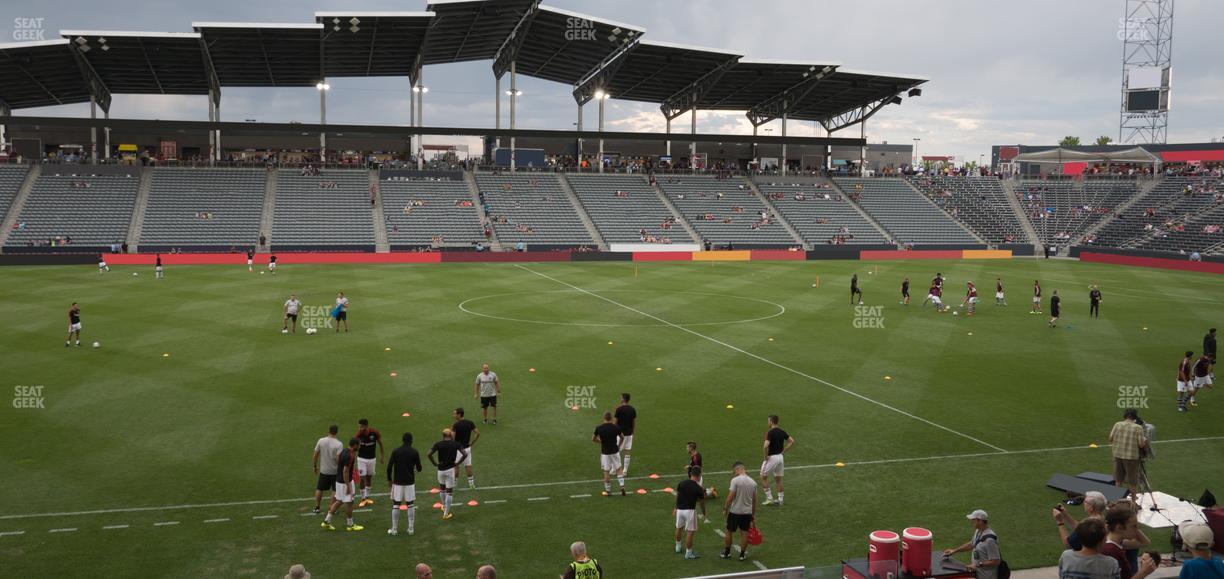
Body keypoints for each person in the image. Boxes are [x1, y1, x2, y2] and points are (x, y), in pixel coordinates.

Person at [941, 509, 1002, 579]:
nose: (971, 521)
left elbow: (996, 561)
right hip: (978, 574)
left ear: (980, 521)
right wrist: (954, 551)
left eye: (973, 519)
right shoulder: (978, 531)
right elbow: (972, 544)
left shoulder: (990, 540)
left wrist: (977, 564)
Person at [1102, 506, 1157, 579]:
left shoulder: (1119, 543)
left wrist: (1133, 524)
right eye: (1134, 526)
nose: (1136, 529)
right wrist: (1142, 573)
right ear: (1119, 528)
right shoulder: (1110, 551)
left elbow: (1145, 542)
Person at [322, 438, 364, 531]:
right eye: (359, 445)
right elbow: (345, 471)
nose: (360, 446)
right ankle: (350, 525)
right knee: (349, 503)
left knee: (339, 501)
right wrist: (348, 486)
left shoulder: (344, 451)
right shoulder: (350, 456)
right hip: (345, 482)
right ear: (355, 445)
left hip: (338, 480)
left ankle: (326, 521)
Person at [386, 432, 422, 536]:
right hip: (410, 482)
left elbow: (389, 467)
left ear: (402, 440)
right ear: (411, 441)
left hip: (398, 482)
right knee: (410, 504)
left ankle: (394, 529)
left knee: (396, 504)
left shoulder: (396, 451)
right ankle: (411, 529)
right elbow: (419, 468)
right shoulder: (414, 452)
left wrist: (389, 479)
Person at [722, 462, 758, 561]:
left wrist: (725, 508)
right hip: (747, 513)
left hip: (735, 512)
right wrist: (753, 515)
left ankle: (727, 552)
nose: (735, 474)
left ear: (738, 469)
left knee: (729, 531)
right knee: (745, 533)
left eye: (735, 471)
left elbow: (730, 497)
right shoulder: (753, 482)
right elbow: (754, 501)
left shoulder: (735, 481)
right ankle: (742, 555)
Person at [428, 428, 467, 520]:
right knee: (449, 492)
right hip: (450, 470)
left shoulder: (438, 444)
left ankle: (444, 506)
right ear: (451, 435)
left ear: (443, 436)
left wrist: (434, 463)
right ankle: (446, 513)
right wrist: (458, 463)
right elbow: (465, 454)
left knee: (442, 489)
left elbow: (429, 454)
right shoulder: (456, 444)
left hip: (440, 470)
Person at [1109, 409, 1148, 497]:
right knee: (1132, 482)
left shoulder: (1117, 424)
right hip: (1131, 458)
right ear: (1135, 417)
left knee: (1118, 480)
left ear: (1125, 416)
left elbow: (1110, 438)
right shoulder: (1138, 427)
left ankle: (1116, 500)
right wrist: (1145, 439)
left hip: (1118, 456)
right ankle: (1133, 502)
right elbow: (1141, 444)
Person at [761, 414, 794, 506]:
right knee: (778, 479)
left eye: (768, 421)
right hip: (780, 457)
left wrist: (765, 457)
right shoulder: (782, 431)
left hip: (772, 458)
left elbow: (765, 446)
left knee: (763, 477)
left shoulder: (770, 432)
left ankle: (769, 498)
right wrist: (783, 451)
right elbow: (791, 441)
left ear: (771, 422)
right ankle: (780, 500)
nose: (768, 423)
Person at [674, 466, 706, 559]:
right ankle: (688, 553)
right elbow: (702, 502)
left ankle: (678, 547)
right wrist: (704, 513)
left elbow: (678, 495)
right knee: (690, 532)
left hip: (680, 510)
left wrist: (675, 507)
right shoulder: (698, 487)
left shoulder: (682, 483)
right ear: (699, 476)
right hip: (690, 511)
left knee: (678, 528)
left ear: (691, 474)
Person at [312, 424, 343, 514]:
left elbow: (315, 455)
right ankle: (331, 507)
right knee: (335, 490)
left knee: (319, 489)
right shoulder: (339, 444)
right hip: (335, 471)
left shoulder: (321, 441)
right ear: (336, 432)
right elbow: (338, 459)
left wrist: (314, 466)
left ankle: (317, 507)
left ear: (328, 431)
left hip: (324, 471)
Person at [593, 412, 625, 496]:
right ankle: (622, 487)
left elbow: (593, 439)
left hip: (605, 453)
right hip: (615, 451)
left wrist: (601, 442)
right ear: (611, 418)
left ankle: (608, 491)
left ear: (604, 418)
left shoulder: (599, 428)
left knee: (606, 471)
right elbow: (622, 437)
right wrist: (619, 445)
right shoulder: (615, 427)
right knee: (618, 469)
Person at [355, 418, 384, 507]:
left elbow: (380, 443)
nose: (360, 428)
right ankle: (363, 498)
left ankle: (367, 497)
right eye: (359, 426)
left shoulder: (374, 433)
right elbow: (354, 447)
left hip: (372, 459)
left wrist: (382, 456)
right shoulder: (358, 434)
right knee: (362, 478)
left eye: (361, 427)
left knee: (369, 477)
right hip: (362, 459)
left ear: (366, 426)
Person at [452, 407, 480, 489]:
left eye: (455, 414)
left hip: (458, 449)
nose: (453, 415)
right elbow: (478, 433)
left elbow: (452, 438)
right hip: (467, 448)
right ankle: (471, 484)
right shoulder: (470, 423)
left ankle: (454, 483)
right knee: (468, 466)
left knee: (456, 466)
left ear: (459, 415)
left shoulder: (455, 425)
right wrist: (472, 443)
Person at [614, 393, 637, 475]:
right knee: (627, 451)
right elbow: (634, 422)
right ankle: (625, 471)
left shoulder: (619, 409)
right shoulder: (632, 409)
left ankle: (614, 470)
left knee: (616, 451)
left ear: (623, 399)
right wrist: (633, 433)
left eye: (621, 398)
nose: (620, 399)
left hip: (620, 434)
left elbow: (615, 422)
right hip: (629, 433)